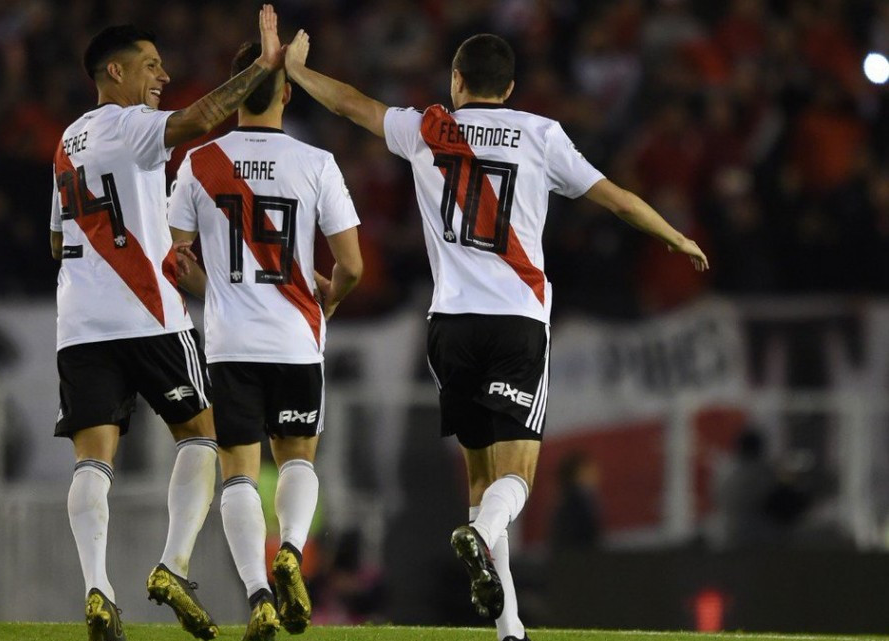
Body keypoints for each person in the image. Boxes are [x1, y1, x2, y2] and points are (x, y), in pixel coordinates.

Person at [283, 31, 708, 641]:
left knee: (481, 483)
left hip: (449, 325)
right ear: (509, 88)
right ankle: (483, 543)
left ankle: (509, 627)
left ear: (456, 81)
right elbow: (614, 200)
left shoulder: (428, 128)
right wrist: (674, 235)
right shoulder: (541, 135)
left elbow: (352, 103)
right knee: (517, 478)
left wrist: (298, 72)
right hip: (516, 321)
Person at [50, 7, 285, 641]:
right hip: (148, 315)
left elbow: (55, 241)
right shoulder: (131, 126)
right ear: (115, 71)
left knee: (93, 461)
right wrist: (262, 68)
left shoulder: (66, 140)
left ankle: (98, 589)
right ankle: (172, 565)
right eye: (151, 65)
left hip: (79, 322)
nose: (164, 74)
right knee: (203, 434)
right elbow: (200, 120)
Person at [167, 40, 363, 641]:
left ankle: (257, 593)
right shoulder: (317, 163)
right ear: (287, 91)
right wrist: (326, 299)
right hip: (296, 339)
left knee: (239, 477)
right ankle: (293, 552)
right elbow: (352, 266)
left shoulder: (199, 162)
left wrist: (214, 286)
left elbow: (175, 260)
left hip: (230, 343)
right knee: (299, 458)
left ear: (233, 93)